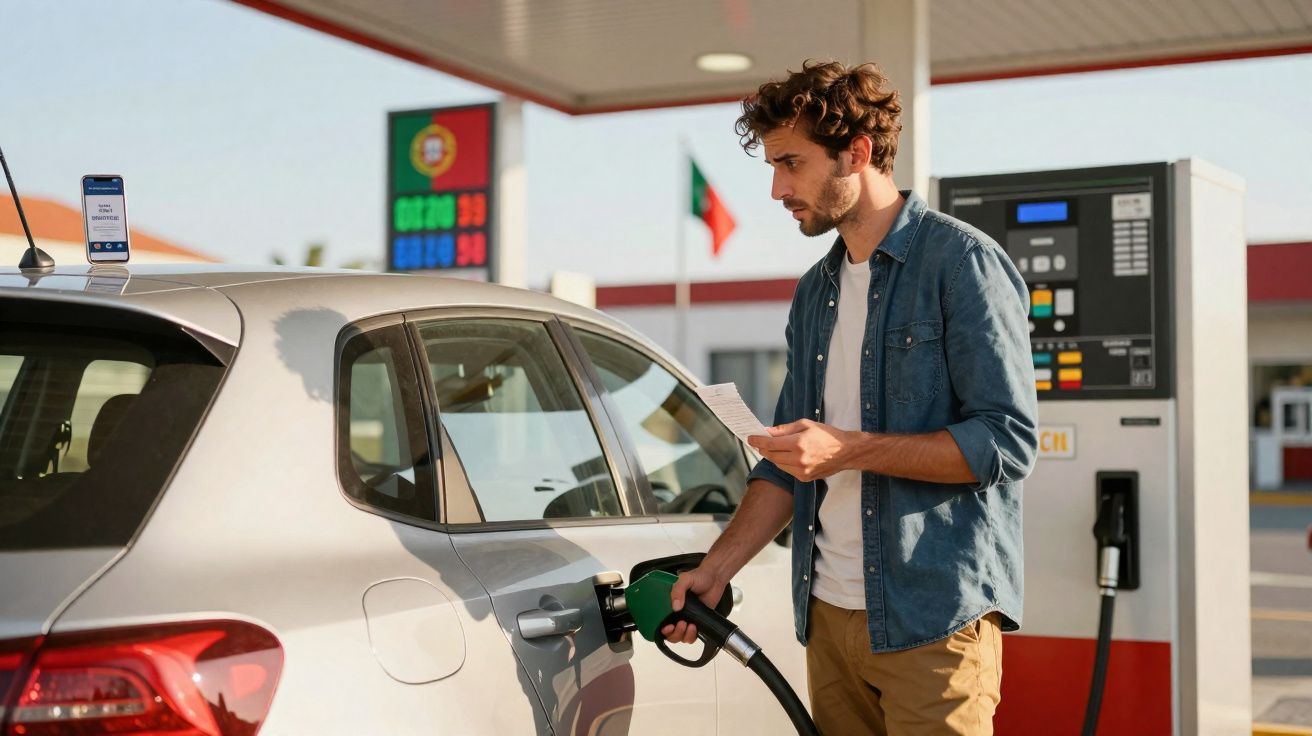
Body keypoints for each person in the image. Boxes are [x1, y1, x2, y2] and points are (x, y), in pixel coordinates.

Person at [662, 61, 1038, 735]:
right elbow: (786, 465)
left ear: (857, 152)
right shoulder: (815, 291)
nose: (778, 188)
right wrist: (714, 570)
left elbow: (1005, 442)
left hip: (933, 625)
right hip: (829, 622)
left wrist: (848, 450)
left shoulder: (963, 264)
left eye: (792, 164)